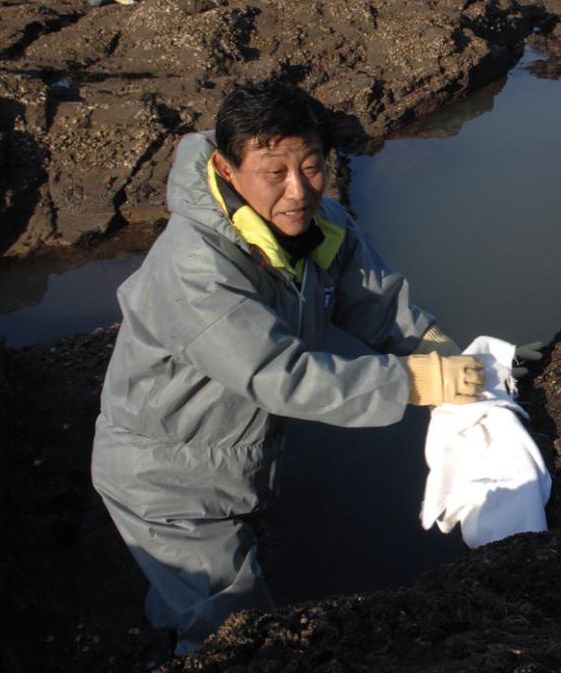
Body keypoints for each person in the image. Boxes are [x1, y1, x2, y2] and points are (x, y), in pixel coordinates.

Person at [90, 81, 506, 655]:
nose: (298, 191)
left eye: (312, 167)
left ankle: (174, 616)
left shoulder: (320, 224)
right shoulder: (195, 267)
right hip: (167, 478)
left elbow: (378, 302)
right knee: (230, 631)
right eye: (274, 171)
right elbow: (280, 375)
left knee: (212, 593)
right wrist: (416, 383)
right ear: (226, 168)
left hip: (233, 457)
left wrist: (458, 359)